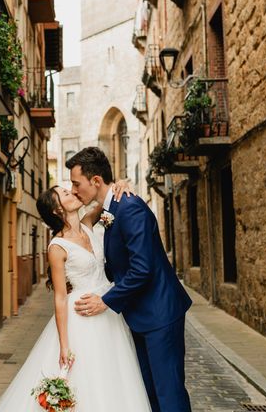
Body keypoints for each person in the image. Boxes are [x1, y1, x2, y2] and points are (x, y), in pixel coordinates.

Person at [0, 182, 152, 411]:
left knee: (112, 373)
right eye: (65, 193)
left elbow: (102, 199)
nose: (73, 192)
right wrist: (64, 345)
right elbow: (59, 297)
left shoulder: (87, 224)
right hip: (82, 317)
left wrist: (120, 184)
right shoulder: (57, 247)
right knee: (87, 377)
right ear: (57, 210)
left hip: (108, 311)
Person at [69, 147, 193, 412]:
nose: (74, 189)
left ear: (96, 181)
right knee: (150, 393)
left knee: (168, 393)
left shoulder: (130, 207)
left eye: (76, 183)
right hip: (139, 315)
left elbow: (142, 269)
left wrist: (105, 301)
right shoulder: (111, 207)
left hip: (159, 313)